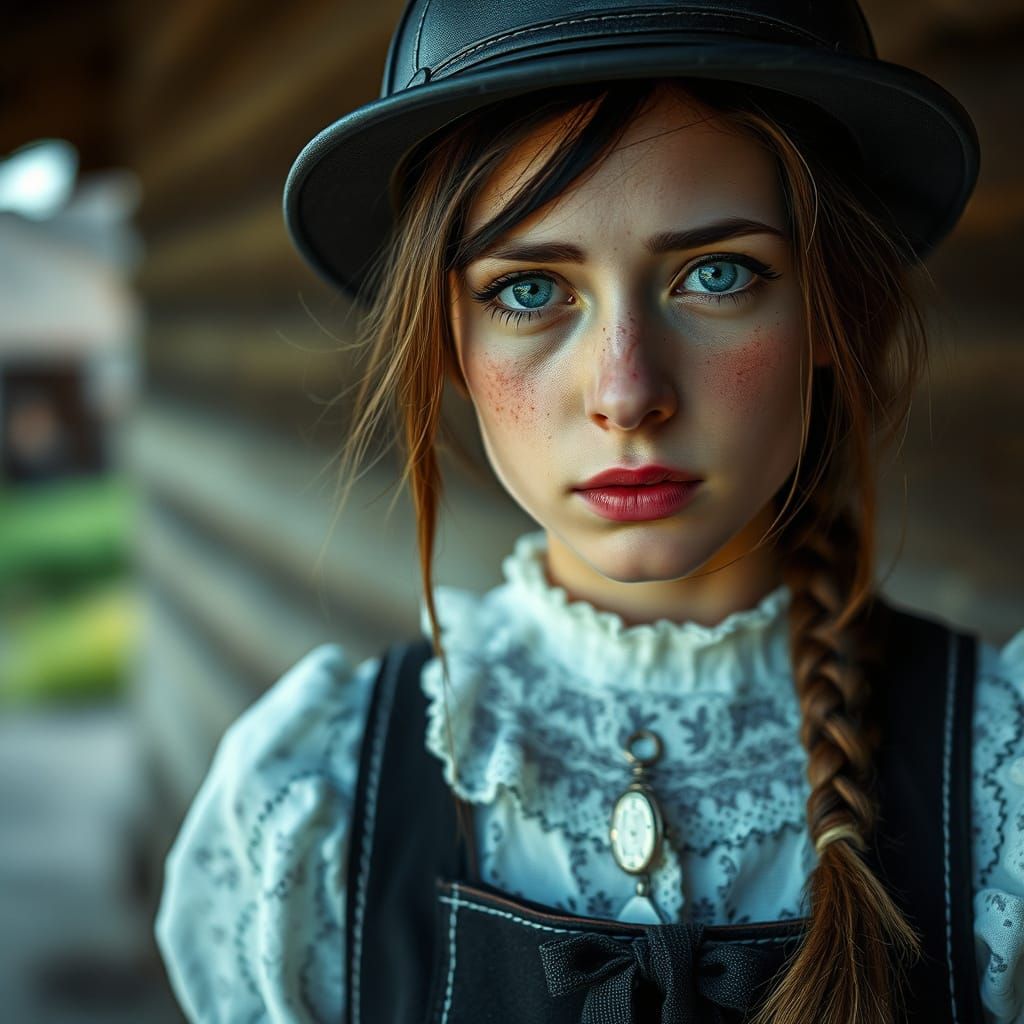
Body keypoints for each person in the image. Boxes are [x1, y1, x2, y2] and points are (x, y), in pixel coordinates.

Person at [155, 2, 1024, 1022]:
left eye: (716, 274)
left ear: (833, 307)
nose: (625, 390)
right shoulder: (316, 800)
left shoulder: (997, 784)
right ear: (448, 344)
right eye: (529, 289)